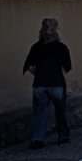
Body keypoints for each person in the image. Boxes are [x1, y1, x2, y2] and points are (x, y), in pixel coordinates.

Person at [22, 17, 72, 148]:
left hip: (39, 84)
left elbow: (30, 67)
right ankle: (63, 136)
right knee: (60, 112)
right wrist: (69, 86)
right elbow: (64, 69)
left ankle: (37, 139)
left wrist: (39, 73)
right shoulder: (61, 48)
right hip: (57, 83)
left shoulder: (36, 47)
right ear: (56, 30)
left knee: (40, 113)